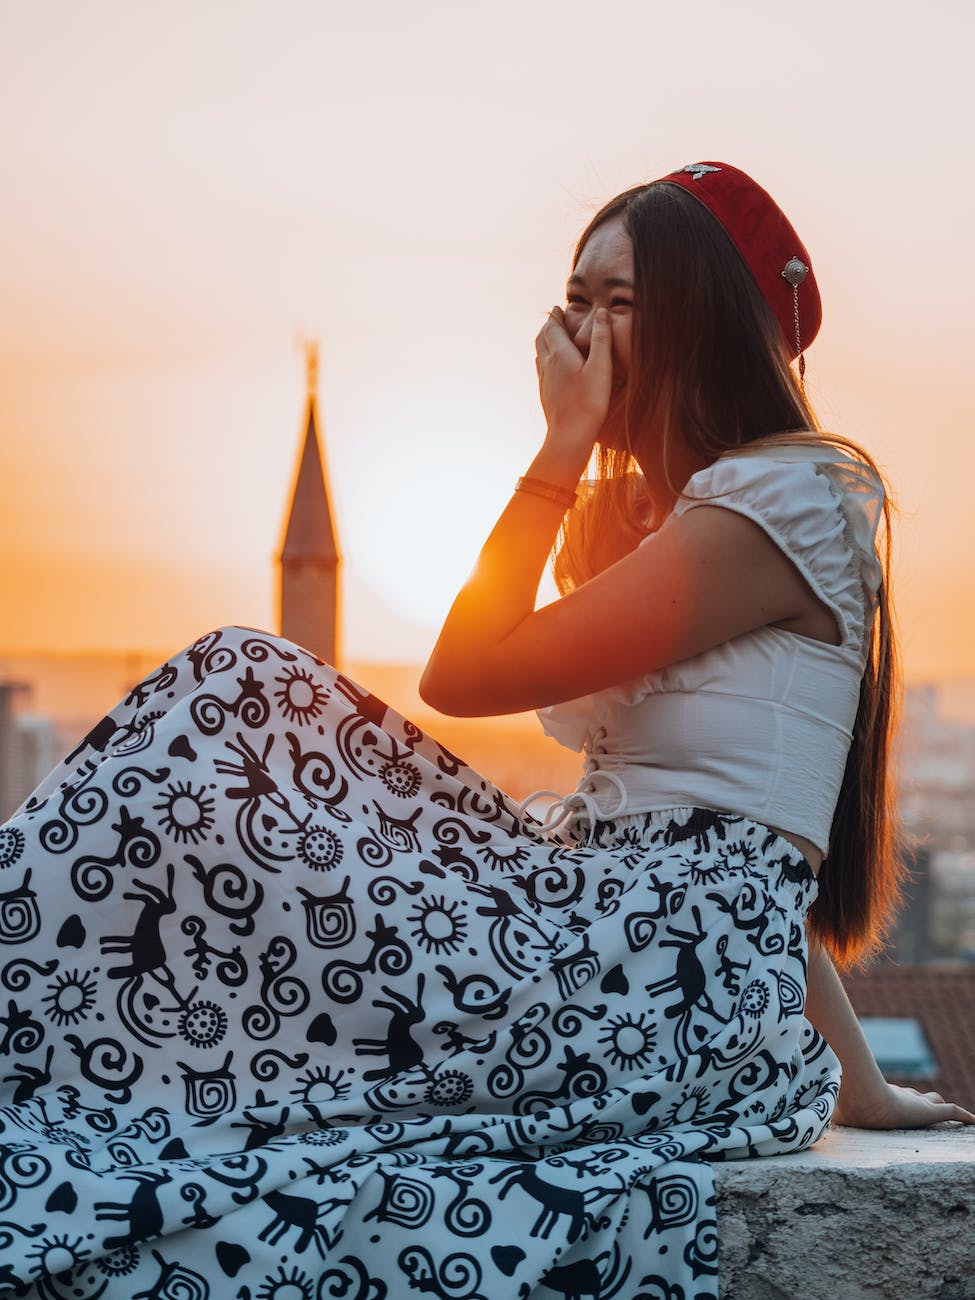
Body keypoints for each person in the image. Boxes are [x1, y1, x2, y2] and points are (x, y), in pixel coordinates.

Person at [0, 162, 970, 1300]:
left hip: (647, 980)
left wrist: (558, 449)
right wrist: (853, 1079)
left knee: (240, 682)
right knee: (227, 776)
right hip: (623, 946)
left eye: (624, 300)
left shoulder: (794, 494)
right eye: (576, 298)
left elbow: (473, 679)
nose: (584, 327)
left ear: (709, 314)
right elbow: (734, 839)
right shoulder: (674, 521)